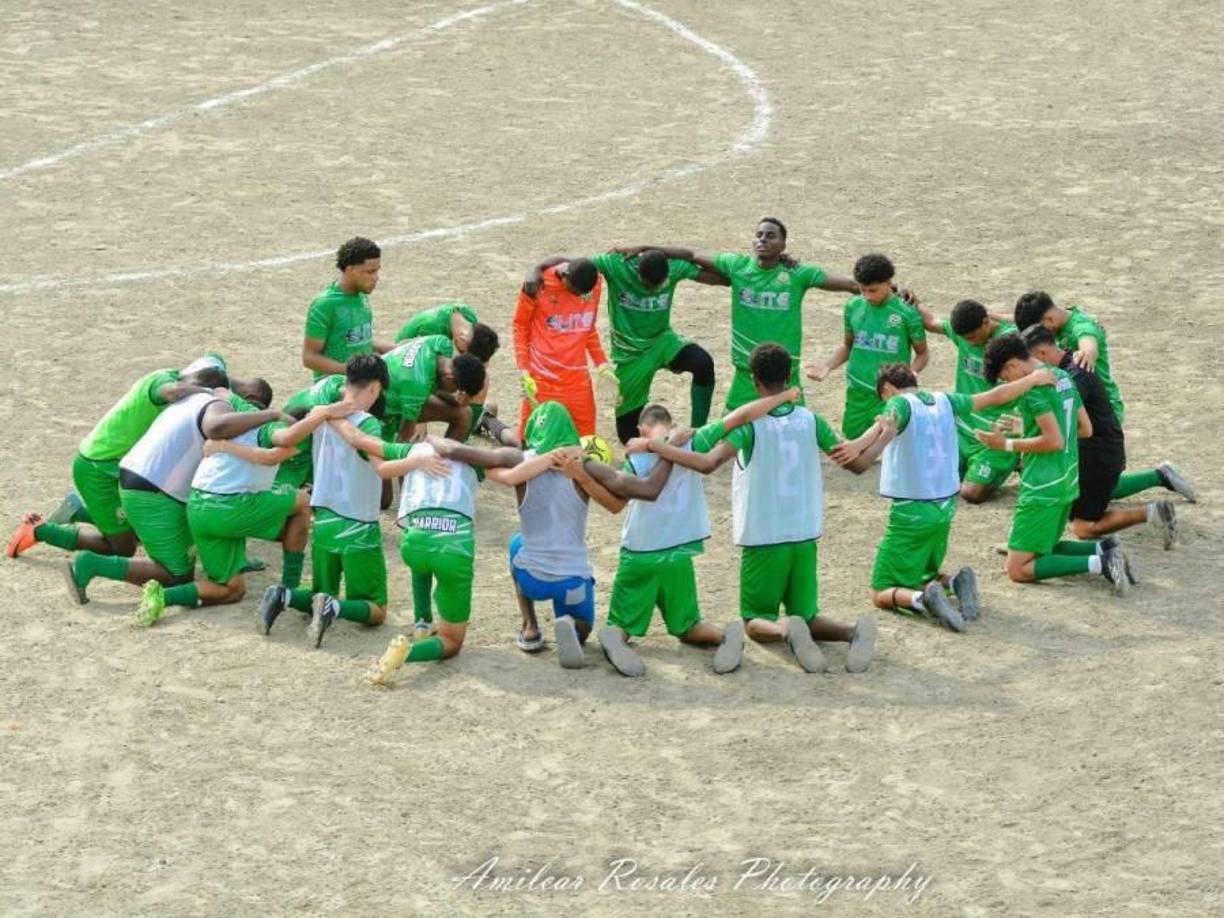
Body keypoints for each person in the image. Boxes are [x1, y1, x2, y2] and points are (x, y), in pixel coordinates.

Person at [646, 343, 876, 674]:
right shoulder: (812, 421)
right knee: (808, 615)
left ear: (754, 381)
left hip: (764, 535)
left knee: (755, 620)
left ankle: (786, 631)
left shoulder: (750, 426)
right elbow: (854, 464)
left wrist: (662, 449)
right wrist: (881, 433)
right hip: (805, 533)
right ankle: (851, 632)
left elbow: (709, 463)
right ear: (788, 376)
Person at [834, 363, 1062, 631]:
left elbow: (887, 423)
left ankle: (922, 600)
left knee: (881, 590)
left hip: (911, 510)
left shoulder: (898, 403)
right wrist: (1033, 378)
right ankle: (952, 582)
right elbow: (996, 396)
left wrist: (857, 445)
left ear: (887, 389)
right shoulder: (945, 400)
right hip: (945, 506)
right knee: (923, 572)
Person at [599, 385, 804, 677]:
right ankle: (722, 636)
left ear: (642, 428)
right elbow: (742, 415)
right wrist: (785, 395)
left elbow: (617, 500)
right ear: (670, 423)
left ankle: (616, 639)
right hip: (679, 552)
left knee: (621, 623)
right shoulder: (692, 442)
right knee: (689, 625)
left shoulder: (638, 456)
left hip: (640, 551)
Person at [254, 355, 444, 647]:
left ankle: (284, 595)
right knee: (375, 608)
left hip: (325, 520)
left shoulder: (323, 416)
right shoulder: (367, 423)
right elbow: (382, 469)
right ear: (376, 387)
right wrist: (416, 460)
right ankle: (335, 609)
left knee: (321, 592)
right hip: (357, 525)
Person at [134, 399, 366, 625]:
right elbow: (273, 454)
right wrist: (322, 414)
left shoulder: (243, 423)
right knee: (303, 503)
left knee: (231, 589)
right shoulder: (279, 428)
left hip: (199, 508)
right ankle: (290, 586)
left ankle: (163, 596)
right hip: (228, 505)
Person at [60, 384, 281, 616]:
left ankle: (78, 517)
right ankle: (92, 564)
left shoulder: (196, 398)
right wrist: (273, 415)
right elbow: (219, 431)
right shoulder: (218, 412)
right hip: (155, 491)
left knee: (158, 542)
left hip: (141, 477)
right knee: (176, 575)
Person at [615, 218, 877, 411]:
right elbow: (691, 254)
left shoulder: (798, 274)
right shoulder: (737, 266)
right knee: (732, 433)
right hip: (747, 373)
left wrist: (893, 290)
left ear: (783, 244)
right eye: (759, 234)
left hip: (785, 372)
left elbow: (852, 285)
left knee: (797, 428)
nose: (763, 239)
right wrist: (646, 247)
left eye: (771, 235)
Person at [364, 437, 565, 685]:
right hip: (453, 549)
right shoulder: (474, 459)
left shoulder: (413, 449)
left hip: (413, 543)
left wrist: (333, 415)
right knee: (451, 642)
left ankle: (422, 623)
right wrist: (551, 457)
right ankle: (407, 653)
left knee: (422, 561)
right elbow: (512, 475)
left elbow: (364, 441)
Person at [7, 357, 232, 560]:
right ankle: (40, 530)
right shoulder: (163, 383)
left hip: (116, 463)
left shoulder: (177, 378)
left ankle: (79, 511)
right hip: (99, 468)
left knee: (146, 524)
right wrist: (207, 393)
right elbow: (171, 391)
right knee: (123, 548)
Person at [506, 401, 668, 669]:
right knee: (583, 628)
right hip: (573, 582)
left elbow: (487, 463)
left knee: (516, 543)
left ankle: (530, 627)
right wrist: (582, 476)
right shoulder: (585, 465)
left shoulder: (521, 464)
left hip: (532, 577)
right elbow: (618, 504)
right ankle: (572, 626)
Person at [978, 334, 1132, 593]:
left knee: (1018, 569)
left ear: (1012, 365)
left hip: (1042, 486)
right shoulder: (1062, 376)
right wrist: (1026, 427)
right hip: (1067, 481)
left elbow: (1053, 441)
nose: (1010, 384)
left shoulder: (1032, 393)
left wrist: (1005, 444)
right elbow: (1084, 428)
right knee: (1044, 546)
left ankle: (1100, 562)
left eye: (1006, 378)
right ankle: (1103, 547)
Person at [1021, 324, 1188, 549]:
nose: (1029, 370)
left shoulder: (1074, 375)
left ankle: (1153, 512)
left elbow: (1062, 425)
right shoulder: (1072, 364)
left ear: (1042, 354)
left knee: (1082, 527)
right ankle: (1160, 476)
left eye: (1030, 363)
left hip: (1098, 457)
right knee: (1079, 495)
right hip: (1096, 451)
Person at [532, 250, 723, 444]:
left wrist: (736, 276)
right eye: (648, 286)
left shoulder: (673, 267)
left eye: (659, 286)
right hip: (630, 356)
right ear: (637, 274)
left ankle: (698, 433)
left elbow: (719, 277)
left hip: (662, 341)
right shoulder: (616, 266)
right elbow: (575, 263)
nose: (652, 291)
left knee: (703, 363)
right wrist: (537, 268)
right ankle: (661, 438)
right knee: (627, 436)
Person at [807, 254, 929, 438]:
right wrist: (828, 365)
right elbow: (848, 346)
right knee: (853, 438)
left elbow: (923, 354)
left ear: (888, 283)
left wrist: (910, 375)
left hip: (890, 393)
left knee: (890, 442)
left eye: (873, 290)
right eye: (862, 290)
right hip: (858, 392)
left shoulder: (906, 313)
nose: (867, 296)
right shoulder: (853, 307)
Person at [913, 299, 1019, 503]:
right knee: (931, 479)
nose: (969, 342)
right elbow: (932, 322)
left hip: (995, 432)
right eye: (965, 338)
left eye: (973, 337)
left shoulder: (1010, 343)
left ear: (986, 322)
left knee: (971, 493)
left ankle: (1013, 458)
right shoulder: (962, 334)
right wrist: (911, 301)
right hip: (962, 429)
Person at [514, 257, 616, 439]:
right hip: (542, 380)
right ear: (565, 276)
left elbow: (587, 326)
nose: (578, 297)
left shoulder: (594, 283)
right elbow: (520, 326)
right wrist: (524, 370)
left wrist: (602, 364)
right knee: (529, 443)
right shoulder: (537, 284)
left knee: (585, 443)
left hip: (578, 383)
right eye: (574, 291)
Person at [1013, 291, 1124, 426]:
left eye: (1041, 328)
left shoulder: (1082, 326)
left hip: (1102, 409)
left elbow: (1088, 343)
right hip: (1080, 401)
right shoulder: (1057, 318)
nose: (1040, 334)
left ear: (1049, 319)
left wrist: (1087, 352)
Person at [394, 302, 500, 440]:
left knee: (482, 378)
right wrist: (421, 423)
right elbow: (417, 370)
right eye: (464, 352)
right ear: (462, 341)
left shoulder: (468, 318)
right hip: (409, 373)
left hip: (435, 367)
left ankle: (469, 428)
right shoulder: (432, 329)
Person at [302, 237, 393, 380]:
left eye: (377, 271)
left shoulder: (362, 297)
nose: (376, 278)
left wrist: (398, 349)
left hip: (364, 384)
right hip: (336, 388)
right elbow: (310, 357)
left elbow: (357, 340)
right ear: (350, 270)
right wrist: (354, 372)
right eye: (370, 272)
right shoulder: (325, 304)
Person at [383, 333, 487, 443]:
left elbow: (435, 385)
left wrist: (460, 400)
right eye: (456, 390)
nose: (455, 393)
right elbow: (403, 437)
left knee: (464, 413)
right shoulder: (417, 385)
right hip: (381, 411)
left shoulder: (441, 343)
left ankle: (448, 459)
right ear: (449, 378)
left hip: (395, 384)